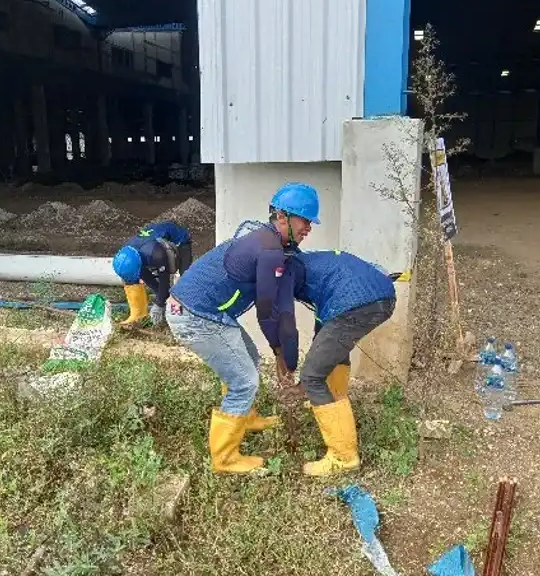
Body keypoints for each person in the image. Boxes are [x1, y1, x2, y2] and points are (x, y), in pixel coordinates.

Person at [165, 183, 320, 474]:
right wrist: (279, 352)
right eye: (305, 220)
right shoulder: (270, 249)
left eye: (310, 222)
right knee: (245, 381)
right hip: (197, 316)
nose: (308, 228)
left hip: (197, 308)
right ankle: (224, 459)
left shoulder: (265, 238)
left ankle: (245, 417)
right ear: (283, 217)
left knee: (248, 358)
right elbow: (266, 313)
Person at [276, 249, 397, 477]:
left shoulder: (286, 273)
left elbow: (286, 327)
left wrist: (296, 373)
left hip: (358, 301)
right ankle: (334, 399)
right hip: (379, 296)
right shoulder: (311, 264)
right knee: (333, 352)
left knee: (312, 376)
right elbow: (323, 325)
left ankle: (344, 457)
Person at [113, 221, 192, 326]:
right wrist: (161, 297)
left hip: (179, 240)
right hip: (153, 244)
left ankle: (181, 319)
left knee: (183, 281)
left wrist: (159, 304)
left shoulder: (156, 254)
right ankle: (160, 307)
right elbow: (146, 278)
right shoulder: (127, 255)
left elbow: (165, 281)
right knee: (156, 287)